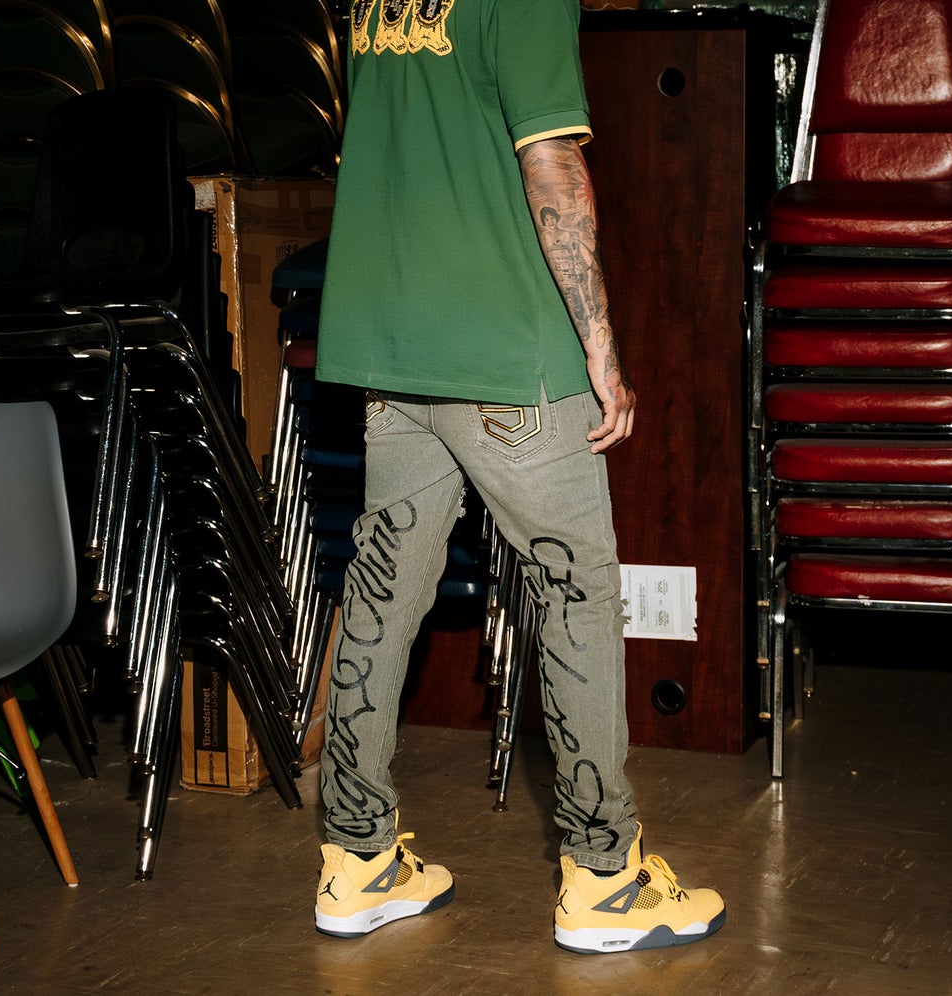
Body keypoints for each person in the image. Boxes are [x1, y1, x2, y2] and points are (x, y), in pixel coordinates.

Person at [308, 0, 725, 954]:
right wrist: (601, 346)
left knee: (383, 591)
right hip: (505, 352)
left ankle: (357, 859)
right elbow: (552, 166)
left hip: (391, 347)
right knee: (578, 593)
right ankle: (605, 878)